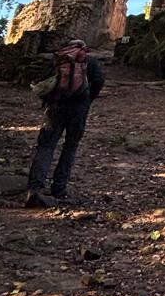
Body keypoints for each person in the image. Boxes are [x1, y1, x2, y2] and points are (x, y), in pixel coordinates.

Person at [25, 38, 105, 209]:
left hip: (55, 107)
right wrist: (87, 99)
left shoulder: (58, 59)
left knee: (46, 146)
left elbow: (43, 82)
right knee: (70, 146)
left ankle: (35, 188)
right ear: (83, 47)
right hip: (79, 109)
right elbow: (99, 81)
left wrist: (49, 99)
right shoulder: (90, 61)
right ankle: (59, 188)